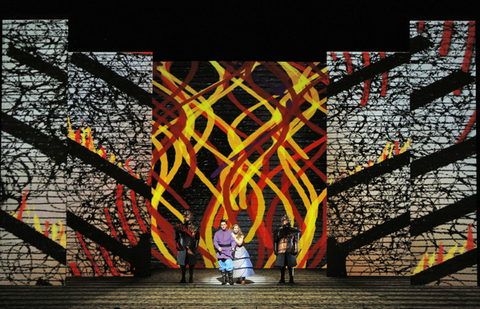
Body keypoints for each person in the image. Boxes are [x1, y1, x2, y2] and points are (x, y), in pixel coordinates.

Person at [273, 215, 301, 283]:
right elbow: (276, 241)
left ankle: (291, 279)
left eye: (288, 221)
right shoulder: (278, 231)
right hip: (281, 249)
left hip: (290, 249)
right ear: (282, 222)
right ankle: (282, 278)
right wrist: (276, 250)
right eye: (285, 221)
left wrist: (295, 249)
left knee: (290, 265)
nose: (286, 222)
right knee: (281, 266)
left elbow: (295, 241)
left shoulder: (293, 231)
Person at [174, 210, 200, 283]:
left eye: (188, 216)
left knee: (191, 263)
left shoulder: (195, 228)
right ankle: (183, 278)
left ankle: (191, 278)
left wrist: (195, 247)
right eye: (185, 216)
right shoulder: (180, 227)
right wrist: (177, 245)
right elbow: (176, 238)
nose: (187, 218)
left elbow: (197, 238)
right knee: (182, 264)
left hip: (191, 247)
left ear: (191, 217)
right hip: (182, 247)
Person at [213, 219, 236, 285]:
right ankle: (224, 280)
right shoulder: (217, 233)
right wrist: (218, 247)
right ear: (220, 226)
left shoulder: (230, 233)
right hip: (220, 252)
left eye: (224, 225)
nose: (223, 226)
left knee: (229, 266)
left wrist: (233, 247)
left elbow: (233, 241)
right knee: (222, 267)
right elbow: (215, 242)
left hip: (228, 251)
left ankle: (231, 280)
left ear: (226, 225)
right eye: (222, 225)